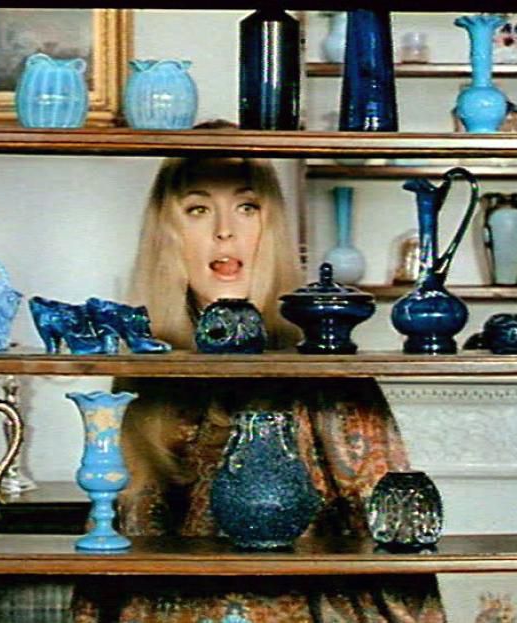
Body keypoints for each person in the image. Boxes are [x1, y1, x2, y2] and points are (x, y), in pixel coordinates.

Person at [72, 155, 445, 623]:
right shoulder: (143, 371)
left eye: (247, 208)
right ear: (167, 235)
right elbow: (115, 546)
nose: (225, 232)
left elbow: (395, 541)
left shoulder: (327, 372)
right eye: (198, 210)